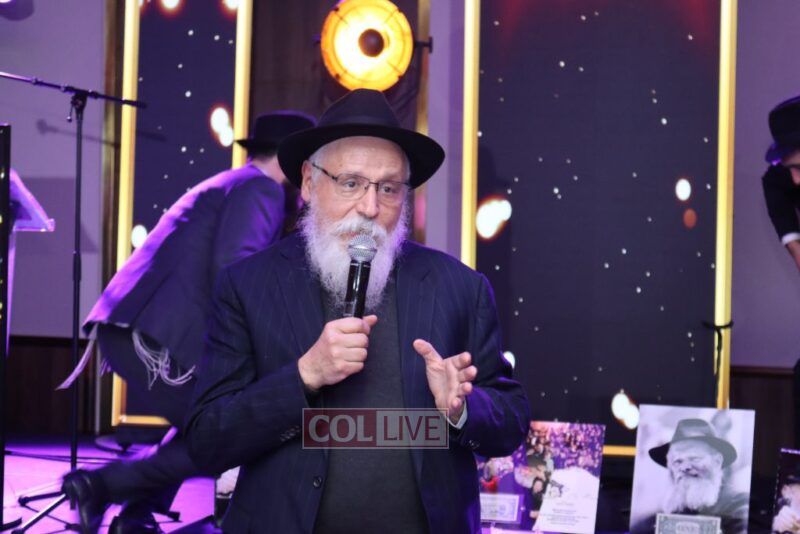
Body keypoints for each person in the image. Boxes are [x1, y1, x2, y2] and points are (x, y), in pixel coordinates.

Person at [183, 88, 531, 533]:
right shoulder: (249, 285)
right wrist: (305, 375)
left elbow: (510, 420)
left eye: (388, 189)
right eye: (350, 183)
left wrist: (461, 409)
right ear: (309, 182)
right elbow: (207, 439)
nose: (369, 208)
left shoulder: (459, 288)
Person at [61, 111, 316, 534]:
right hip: (152, 335)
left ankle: (134, 515)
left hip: (140, 328)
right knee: (222, 433)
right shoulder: (261, 189)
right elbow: (235, 270)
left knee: (206, 426)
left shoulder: (239, 182)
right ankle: (100, 485)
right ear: (293, 159)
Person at [631, 418, 749, 534]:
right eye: (678, 461)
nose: (685, 467)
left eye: (694, 458)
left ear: (717, 462)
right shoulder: (660, 519)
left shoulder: (739, 506)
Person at [762, 95, 800, 270]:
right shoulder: (784, 176)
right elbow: (773, 181)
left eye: (799, 168)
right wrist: (793, 245)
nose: (796, 180)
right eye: (790, 168)